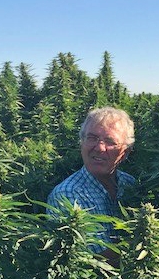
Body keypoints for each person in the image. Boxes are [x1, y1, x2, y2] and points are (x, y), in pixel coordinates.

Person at [47, 107, 136, 264]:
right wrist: (158, 226)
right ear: (82, 143)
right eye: (92, 138)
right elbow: (90, 264)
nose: (100, 148)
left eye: (110, 142)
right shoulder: (68, 195)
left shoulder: (130, 184)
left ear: (125, 152)